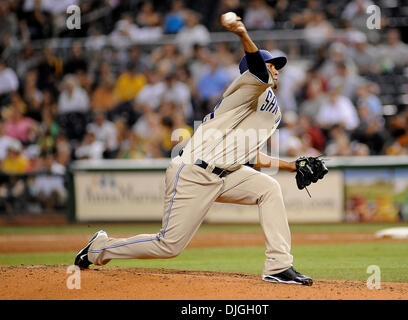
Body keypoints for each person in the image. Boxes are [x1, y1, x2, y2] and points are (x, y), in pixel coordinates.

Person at [75, 14, 319, 286]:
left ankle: (279, 266)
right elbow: (257, 69)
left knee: (269, 189)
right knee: (169, 246)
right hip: (193, 172)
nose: (275, 69)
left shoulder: (264, 105)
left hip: (226, 173)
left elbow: (246, 155)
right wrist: (241, 33)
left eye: (277, 66)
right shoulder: (248, 87)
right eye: (271, 64)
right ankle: (99, 248)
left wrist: (292, 165)